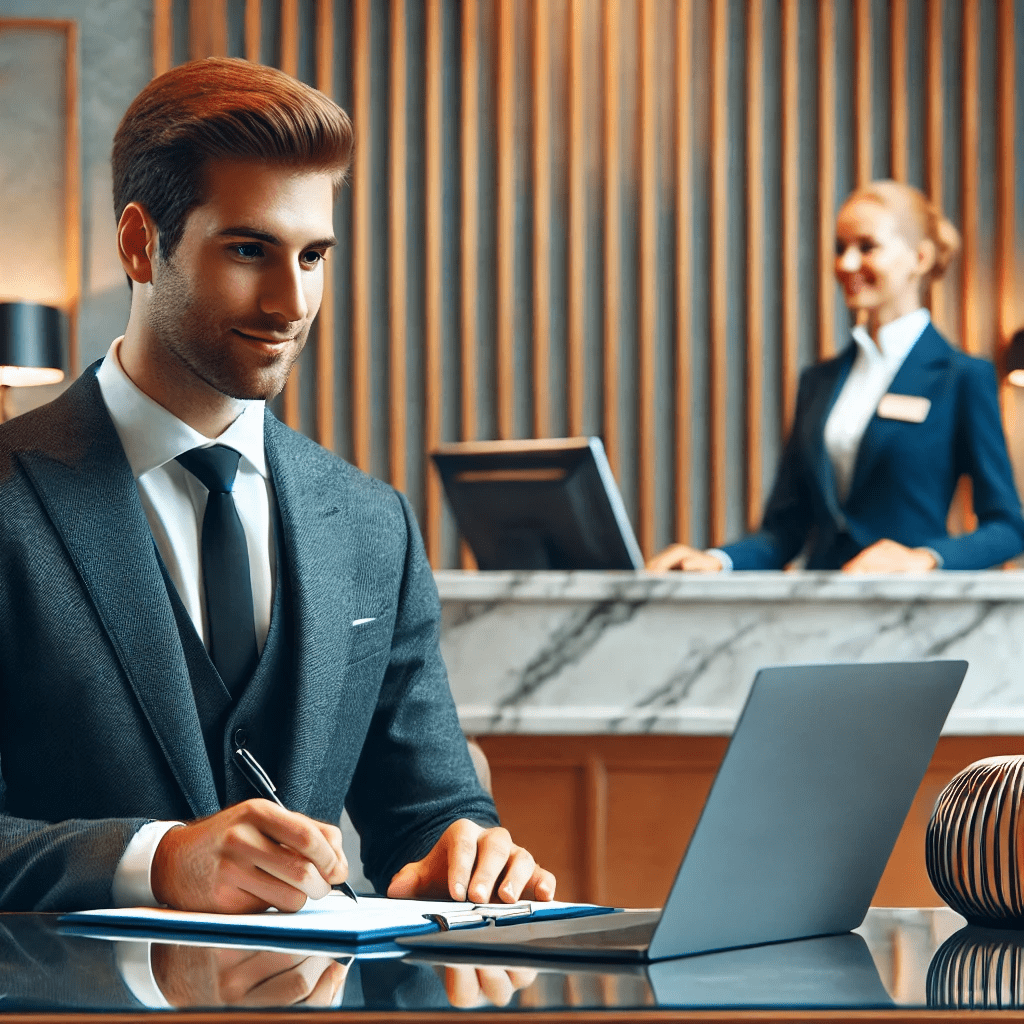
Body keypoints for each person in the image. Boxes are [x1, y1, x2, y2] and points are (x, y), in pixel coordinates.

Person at [0, 58, 554, 913]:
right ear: (141, 243)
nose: (291, 301)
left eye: (314, 255)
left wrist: (466, 852)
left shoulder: (374, 525)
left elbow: (430, 810)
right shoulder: (9, 497)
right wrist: (158, 861)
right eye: (250, 250)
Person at [649, 179, 1024, 573]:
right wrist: (716, 560)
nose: (845, 264)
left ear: (920, 257)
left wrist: (924, 558)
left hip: (907, 615)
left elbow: (1008, 527)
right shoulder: (819, 382)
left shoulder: (963, 377)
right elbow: (784, 531)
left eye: (867, 247)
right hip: (821, 613)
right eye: (839, 248)